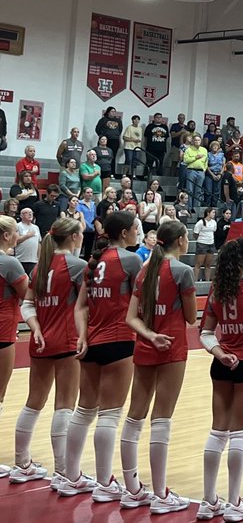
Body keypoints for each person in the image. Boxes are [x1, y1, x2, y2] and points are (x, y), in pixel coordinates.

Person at [60, 211, 143, 500]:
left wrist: (82, 335)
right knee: (109, 415)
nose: (138, 232)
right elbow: (140, 305)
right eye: (135, 228)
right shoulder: (132, 260)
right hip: (119, 341)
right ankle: (105, 483)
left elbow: (80, 307)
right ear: (124, 233)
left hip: (92, 342)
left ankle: (71, 477)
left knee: (83, 411)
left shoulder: (94, 262)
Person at [120, 220, 196, 514]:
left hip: (145, 346)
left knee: (135, 417)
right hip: (172, 348)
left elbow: (131, 318)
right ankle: (161, 494)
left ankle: (132, 490)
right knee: (161, 420)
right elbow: (191, 318)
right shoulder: (182, 271)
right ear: (179, 240)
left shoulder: (143, 271)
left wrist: (150, 335)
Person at [13, 216, 88, 486]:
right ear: (73, 237)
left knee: (34, 402)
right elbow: (86, 307)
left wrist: (35, 329)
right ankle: (64, 473)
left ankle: (21, 464)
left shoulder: (40, 267)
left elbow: (27, 305)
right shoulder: (78, 266)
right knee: (64, 405)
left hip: (40, 340)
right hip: (67, 342)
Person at [197, 237, 243, 521]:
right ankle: (234, 503)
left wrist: (220, 353)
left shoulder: (218, 291)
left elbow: (205, 333)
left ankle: (208, 500)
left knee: (218, 431)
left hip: (222, 363)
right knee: (240, 434)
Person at [0, 216, 28, 476]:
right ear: (7, 236)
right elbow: (28, 293)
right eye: (16, 232)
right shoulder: (9, 263)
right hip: (2, 332)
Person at [194, 208, 218, 282]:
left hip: (211, 243)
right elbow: (195, 233)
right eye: (213, 212)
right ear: (208, 213)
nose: (214, 214)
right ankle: (195, 281)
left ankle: (207, 281)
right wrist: (201, 240)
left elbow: (214, 231)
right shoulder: (200, 222)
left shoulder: (214, 222)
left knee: (208, 264)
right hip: (202, 244)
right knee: (199, 264)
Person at [15, 207, 40, 276]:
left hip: (34, 260)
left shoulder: (36, 227)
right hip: (21, 259)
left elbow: (39, 243)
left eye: (31, 213)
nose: (29, 214)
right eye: (26, 213)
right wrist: (28, 236)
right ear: (21, 216)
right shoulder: (18, 226)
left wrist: (39, 258)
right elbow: (16, 241)